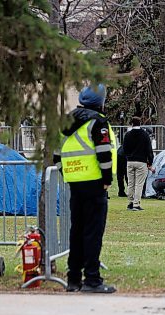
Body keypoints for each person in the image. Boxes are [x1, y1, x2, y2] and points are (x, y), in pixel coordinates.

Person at [54, 84, 116, 293]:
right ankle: (92, 279)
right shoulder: (98, 121)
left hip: (74, 182)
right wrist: (107, 179)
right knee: (92, 233)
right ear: (101, 102)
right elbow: (104, 152)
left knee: (77, 231)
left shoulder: (66, 122)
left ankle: (73, 279)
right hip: (95, 183)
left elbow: (56, 155)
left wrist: (67, 173)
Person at [123, 117, 155, 211]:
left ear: (132, 124)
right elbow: (149, 149)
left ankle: (130, 202)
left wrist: (128, 157)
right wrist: (150, 161)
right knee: (139, 184)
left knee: (130, 183)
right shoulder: (144, 135)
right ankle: (136, 204)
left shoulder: (127, 135)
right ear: (140, 123)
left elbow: (124, 148)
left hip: (130, 161)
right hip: (141, 162)